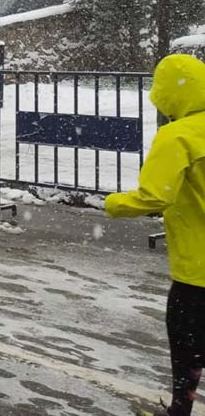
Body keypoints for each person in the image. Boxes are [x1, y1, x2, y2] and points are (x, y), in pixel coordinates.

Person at [105, 55, 205, 416]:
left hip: (197, 268)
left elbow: (154, 195)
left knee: (188, 345)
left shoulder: (177, 135)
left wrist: (115, 204)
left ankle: (179, 409)